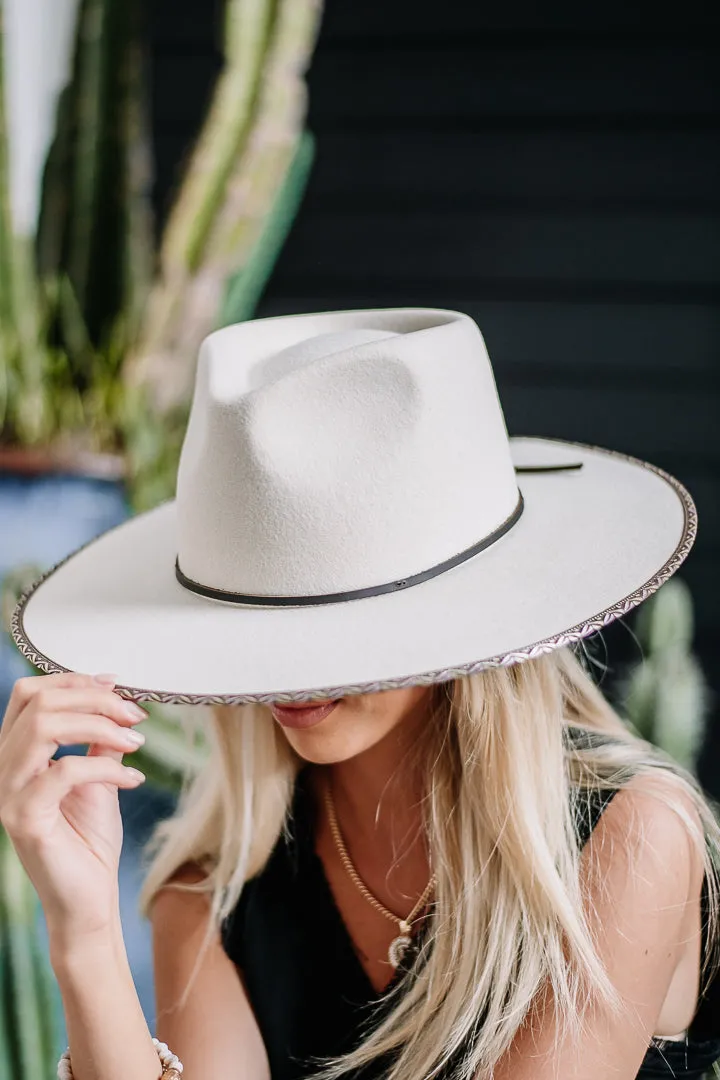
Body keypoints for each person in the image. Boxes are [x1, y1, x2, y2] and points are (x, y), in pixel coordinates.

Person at [2, 308, 720, 1080]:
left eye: (337, 619)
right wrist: (83, 930)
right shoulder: (215, 892)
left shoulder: (630, 837)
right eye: (256, 614)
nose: (286, 670)